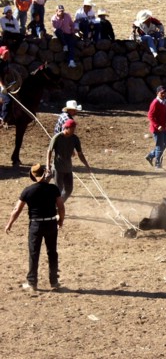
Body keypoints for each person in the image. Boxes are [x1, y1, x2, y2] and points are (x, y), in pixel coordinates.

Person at [5, 163, 65, 291]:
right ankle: (54, 281)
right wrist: (61, 221)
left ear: (32, 175)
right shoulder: (53, 189)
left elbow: (17, 210)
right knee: (52, 252)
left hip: (36, 224)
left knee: (34, 253)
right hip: (50, 223)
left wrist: (10, 223)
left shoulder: (28, 190)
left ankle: (32, 282)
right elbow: (61, 207)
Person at [46, 119, 92, 202]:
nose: (74, 130)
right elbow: (49, 151)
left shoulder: (75, 139)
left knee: (68, 190)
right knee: (58, 190)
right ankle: (54, 207)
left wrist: (87, 165)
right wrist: (47, 166)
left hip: (68, 168)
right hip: (58, 168)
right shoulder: (57, 137)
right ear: (66, 128)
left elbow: (80, 153)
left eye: (74, 128)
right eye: (72, 128)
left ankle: (58, 205)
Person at [145, 86, 166, 169]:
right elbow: (150, 115)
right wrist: (157, 126)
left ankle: (151, 155)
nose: (163, 94)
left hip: (163, 127)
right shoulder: (155, 103)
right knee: (160, 146)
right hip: (157, 129)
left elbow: (164, 112)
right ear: (157, 93)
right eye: (162, 93)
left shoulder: (163, 102)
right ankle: (158, 165)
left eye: (164, 92)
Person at [0, 46, 11, 126]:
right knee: (7, 100)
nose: (7, 55)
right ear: (1, 53)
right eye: (5, 53)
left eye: (8, 53)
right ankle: (3, 118)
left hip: (4, 82)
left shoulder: (6, 61)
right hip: (1, 84)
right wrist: (2, 86)